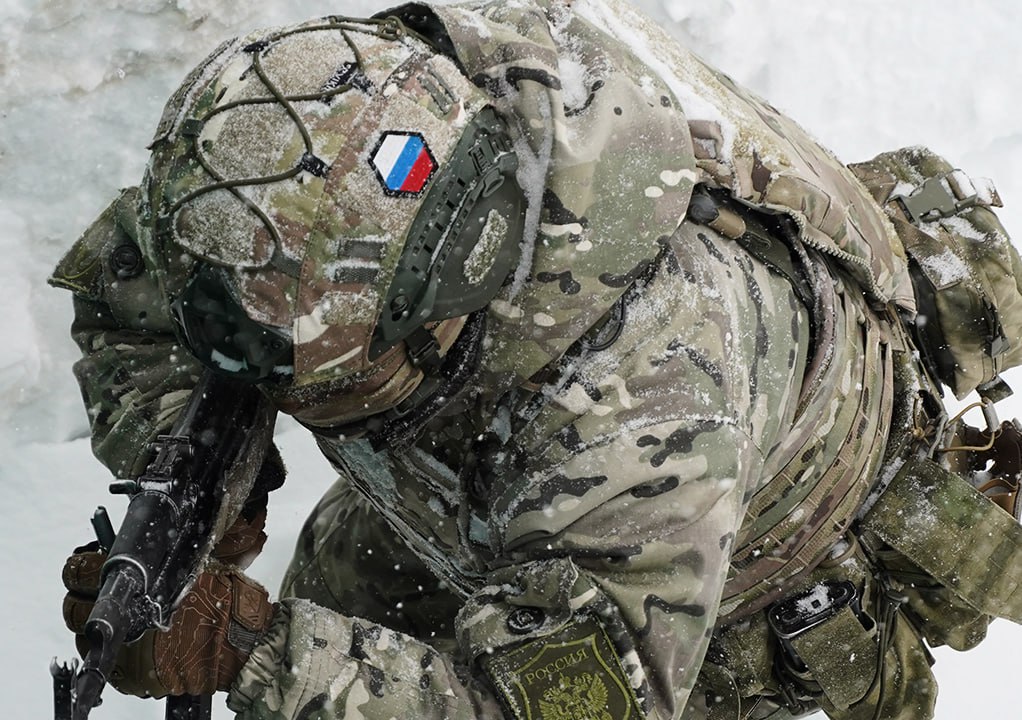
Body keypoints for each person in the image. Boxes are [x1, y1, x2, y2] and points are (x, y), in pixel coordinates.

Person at [52, 1, 1022, 718]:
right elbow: (132, 293)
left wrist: (248, 651)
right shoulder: (337, 126)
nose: (278, 395)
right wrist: (208, 471)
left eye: (307, 381)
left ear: (426, 324)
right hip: (472, 477)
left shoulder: (641, 414)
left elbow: (549, 706)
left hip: (716, 571)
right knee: (338, 599)